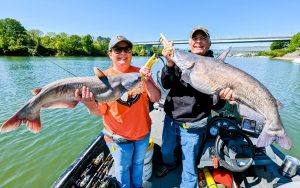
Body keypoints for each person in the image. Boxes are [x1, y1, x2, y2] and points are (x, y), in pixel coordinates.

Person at [75, 35, 161, 188]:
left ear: (131, 53)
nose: (123, 53)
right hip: (118, 137)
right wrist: (89, 104)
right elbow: (99, 111)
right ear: (110, 54)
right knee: (122, 169)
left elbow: (155, 98)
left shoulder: (140, 73)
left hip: (142, 133)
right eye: (117, 49)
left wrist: (147, 80)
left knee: (139, 164)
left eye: (126, 49)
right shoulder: (103, 78)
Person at [156, 26, 236, 188]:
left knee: (189, 166)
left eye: (203, 38)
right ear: (189, 42)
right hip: (171, 118)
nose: (198, 41)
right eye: (195, 38)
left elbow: (218, 105)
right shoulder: (182, 58)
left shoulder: (219, 66)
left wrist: (223, 97)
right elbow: (166, 83)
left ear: (209, 43)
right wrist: (170, 64)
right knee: (166, 150)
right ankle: (170, 164)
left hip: (194, 125)